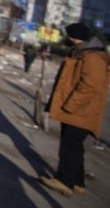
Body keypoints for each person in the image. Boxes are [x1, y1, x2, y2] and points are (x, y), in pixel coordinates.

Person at [40, 22, 110, 197]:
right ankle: (78, 182)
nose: (67, 38)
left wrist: (71, 104)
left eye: (68, 35)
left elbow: (90, 85)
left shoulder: (93, 57)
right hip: (79, 109)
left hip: (81, 110)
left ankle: (64, 181)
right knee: (74, 146)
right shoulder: (84, 53)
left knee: (69, 146)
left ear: (73, 36)